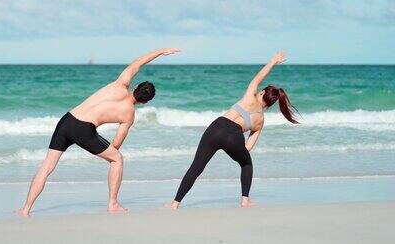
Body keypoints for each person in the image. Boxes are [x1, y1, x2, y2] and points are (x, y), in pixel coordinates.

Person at [17, 48, 180, 217]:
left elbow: (138, 62)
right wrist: (99, 145)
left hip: (67, 120)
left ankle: (26, 209)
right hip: (84, 129)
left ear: (136, 86)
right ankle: (112, 204)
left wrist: (161, 52)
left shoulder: (120, 84)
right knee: (117, 159)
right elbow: (116, 145)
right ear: (145, 102)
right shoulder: (129, 114)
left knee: (46, 167)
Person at [167, 51, 298, 209]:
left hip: (216, 127)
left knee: (196, 167)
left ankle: (175, 204)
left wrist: (272, 62)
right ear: (271, 104)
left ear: (262, 92)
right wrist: (236, 149)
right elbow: (248, 148)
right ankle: (245, 200)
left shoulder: (250, 96)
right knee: (246, 163)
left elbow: (259, 76)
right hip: (235, 137)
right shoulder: (260, 120)